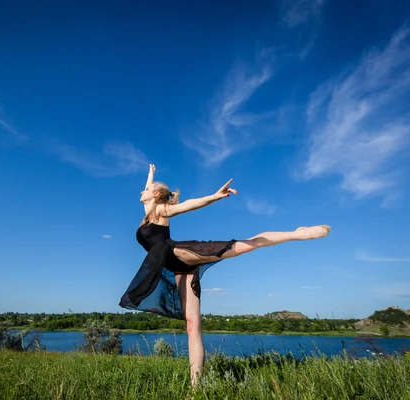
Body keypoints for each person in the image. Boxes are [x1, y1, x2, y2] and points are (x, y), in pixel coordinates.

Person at [119, 164, 330, 387]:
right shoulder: (148, 213)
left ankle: (298, 234)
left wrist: (214, 196)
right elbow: (148, 189)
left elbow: (189, 205)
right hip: (178, 268)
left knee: (243, 246)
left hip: (179, 253)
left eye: (147, 189)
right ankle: (196, 387)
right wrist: (151, 173)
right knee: (192, 326)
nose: (142, 191)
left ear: (156, 194)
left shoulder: (162, 210)